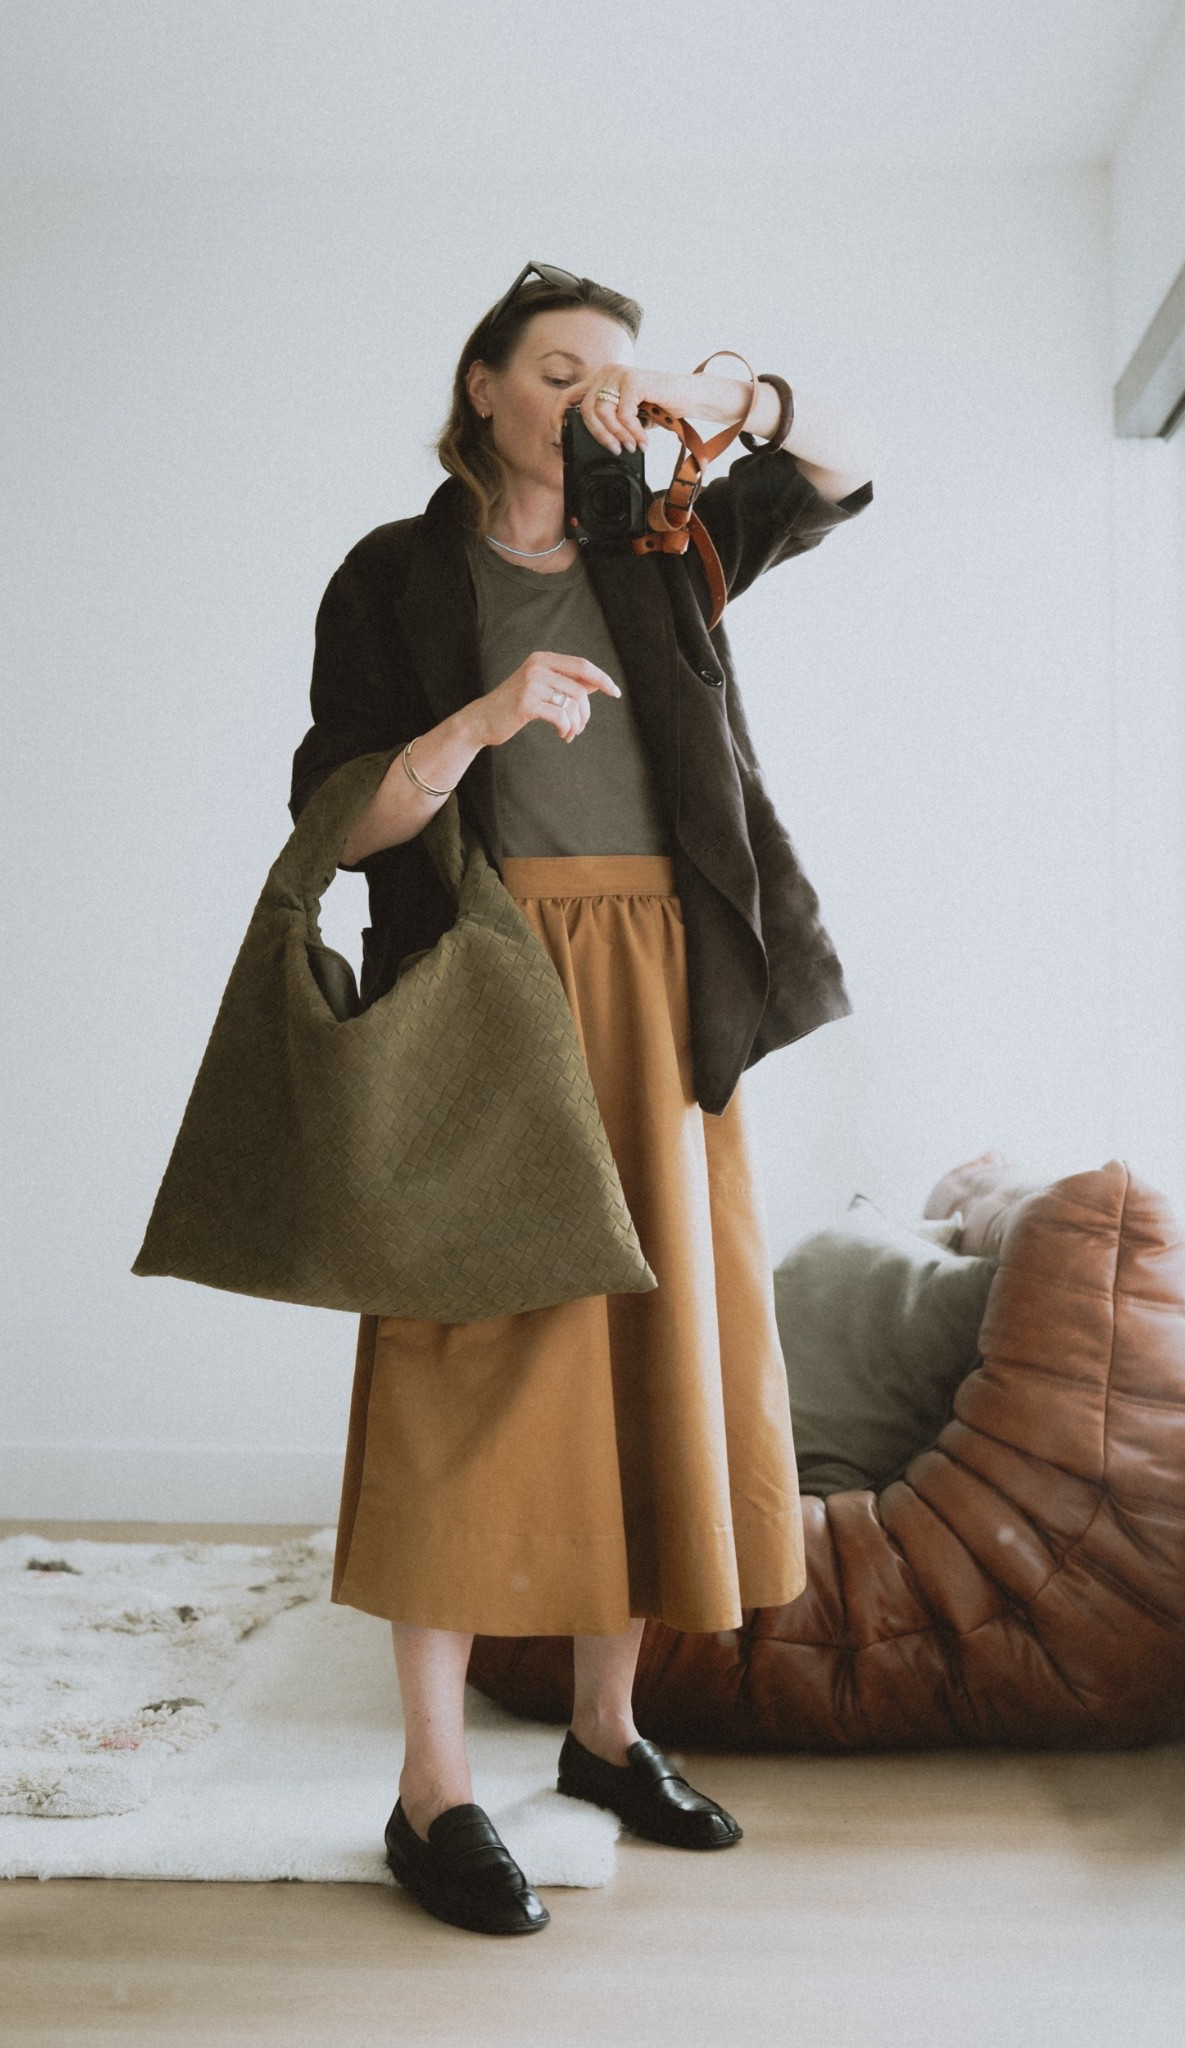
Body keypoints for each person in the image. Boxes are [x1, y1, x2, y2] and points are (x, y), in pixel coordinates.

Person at [288, 263, 875, 1936]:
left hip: (664, 987)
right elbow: (341, 823)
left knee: (646, 1349)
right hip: (487, 985)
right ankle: (431, 1793)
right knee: (460, 1368)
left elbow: (845, 464)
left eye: (610, 371)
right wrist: (480, 722)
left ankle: (611, 1738)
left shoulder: (665, 539)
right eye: (556, 368)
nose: (586, 395)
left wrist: (735, 407)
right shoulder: (396, 578)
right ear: (482, 387)